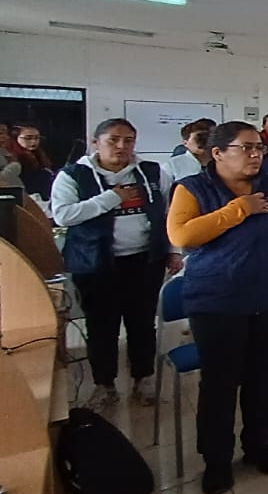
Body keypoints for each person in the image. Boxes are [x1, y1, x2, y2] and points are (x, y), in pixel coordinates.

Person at [167, 122, 268, 494]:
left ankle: (259, 445)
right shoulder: (192, 188)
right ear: (217, 153)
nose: (255, 155)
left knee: (263, 375)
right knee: (220, 382)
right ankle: (216, 459)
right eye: (246, 148)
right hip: (218, 301)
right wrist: (239, 210)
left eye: (258, 148)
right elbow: (181, 235)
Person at [51, 118, 182, 410]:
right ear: (95, 142)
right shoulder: (73, 175)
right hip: (95, 263)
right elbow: (63, 215)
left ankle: (143, 378)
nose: (122, 146)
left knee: (142, 323)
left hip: (144, 260)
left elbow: (168, 214)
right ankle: (104, 384)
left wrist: (173, 250)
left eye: (128, 140)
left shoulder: (152, 172)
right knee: (102, 326)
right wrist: (112, 197)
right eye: (113, 140)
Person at [9, 124, 55, 199]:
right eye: (28, 138)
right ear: (15, 138)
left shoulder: (39, 154)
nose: (34, 141)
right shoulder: (12, 157)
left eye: (37, 138)